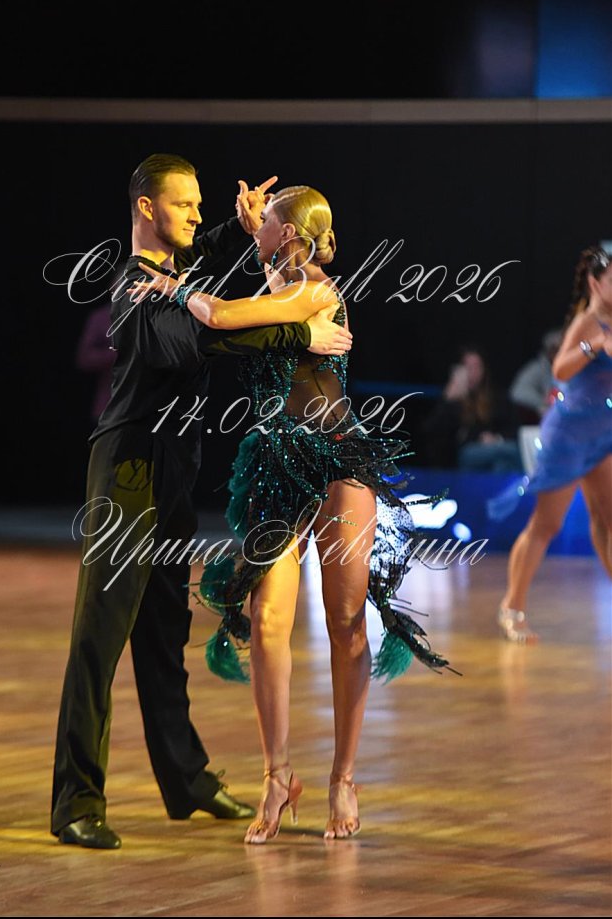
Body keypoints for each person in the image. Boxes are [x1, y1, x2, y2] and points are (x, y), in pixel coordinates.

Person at [130, 185, 452, 845]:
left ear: (292, 235)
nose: (257, 226)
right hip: (277, 463)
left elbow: (221, 315)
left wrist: (173, 288)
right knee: (267, 618)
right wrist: (239, 243)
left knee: (344, 620)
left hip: (335, 461)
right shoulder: (276, 286)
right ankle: (277, 775)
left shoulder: (314, 289)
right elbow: (231, 321)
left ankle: (344, 776)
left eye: (267, 222)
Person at [51, 155, 353, 850]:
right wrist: (299, 332)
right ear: (147, 208)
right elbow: (199, 339)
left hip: (172, 471)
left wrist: (238, 231)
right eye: (184, 205)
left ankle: (185, 778)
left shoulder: (175, 270)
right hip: (127, 470)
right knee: (101, 636)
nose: (197, 214)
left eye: (199, 204)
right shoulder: (134, 285)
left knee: (164, 631)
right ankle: (76, 800)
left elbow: (202, 265)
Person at [492, 246, 612, 642]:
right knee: (547, 525)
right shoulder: (587, 322)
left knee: (608, 519)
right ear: (595, 283)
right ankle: (512, 606)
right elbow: (560, 368)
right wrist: (594, 346)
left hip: (603, 435)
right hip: (569, 438)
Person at [421, 345, 521, 472]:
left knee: (501, 464)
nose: (472, 372)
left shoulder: (495, 397)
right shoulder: (453, 399)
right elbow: (433, 433)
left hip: (493, 449)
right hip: (463, 455)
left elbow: (512, 426)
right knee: (512, 451)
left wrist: (496, 438)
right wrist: (447, 400)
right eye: (468, 367)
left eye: (477, 367)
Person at [508, 329, 562, 424]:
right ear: (548, 351)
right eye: (555, 349)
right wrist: (542, 403)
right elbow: (517, 392)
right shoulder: (538, 368)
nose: (559, 353)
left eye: (563, 348)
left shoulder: (575, 367)